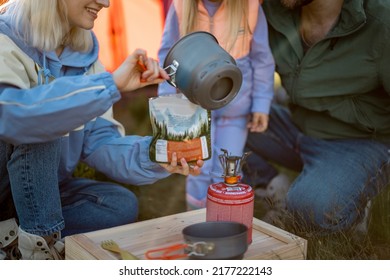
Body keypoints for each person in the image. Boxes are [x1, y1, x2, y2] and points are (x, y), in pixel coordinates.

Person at [0, 0, 203, 260]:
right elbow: (14, 118)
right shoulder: (6, 38)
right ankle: (41, 249)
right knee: (47, 119)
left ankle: (14, 240)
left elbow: (99, 141)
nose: (106, 3)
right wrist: (108, 86)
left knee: (118, 203)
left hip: (41, 192)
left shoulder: (83, 55)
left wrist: (156, 154)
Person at [243, 0, 390, 234]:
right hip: (298, 125)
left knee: (311, 209)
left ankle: (353, 193)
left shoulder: (382, 22)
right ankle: (274, 187)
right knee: (218, 119)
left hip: (361, 141)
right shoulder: (271, 9)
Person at [157, 0, 275, 209]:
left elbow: (262, 58)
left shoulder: (250, 7)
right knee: (198, 168)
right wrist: (168, 102)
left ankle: (222, 221)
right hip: (194, 108)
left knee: (227, 169)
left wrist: (261, 103)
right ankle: (196, 221)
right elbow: (167, 55)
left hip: (235, 110)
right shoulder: (181, 7)